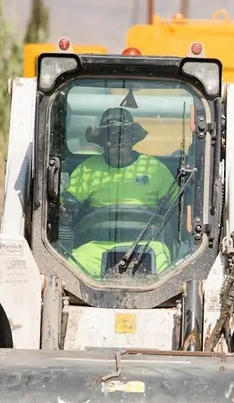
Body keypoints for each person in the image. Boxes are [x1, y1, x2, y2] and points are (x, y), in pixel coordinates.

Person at [60, 107, 179, 279]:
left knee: (166, 271)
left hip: (149, 246)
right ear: (102, 140)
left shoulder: (155, 170)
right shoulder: (86, 170)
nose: (119, 140)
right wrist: (64, 212)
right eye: (112, 134)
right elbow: (67, 210)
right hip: (94, 248)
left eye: (124, 133)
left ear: (133, 138)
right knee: (70, 272)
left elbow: (175, 210)